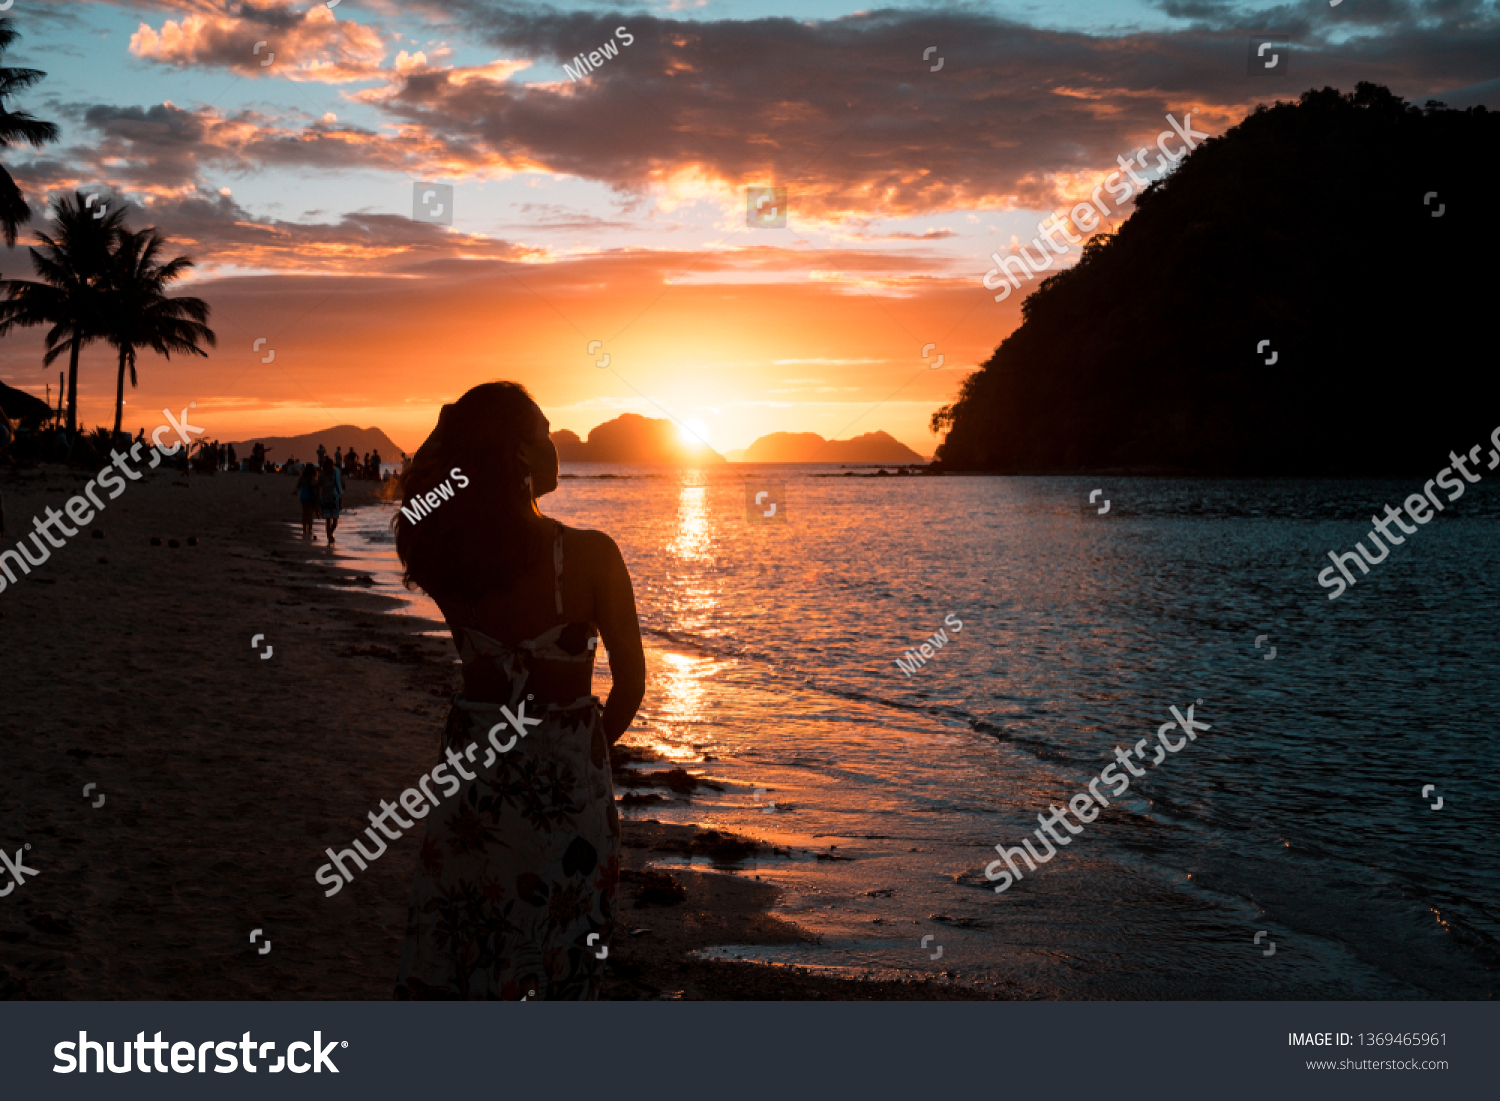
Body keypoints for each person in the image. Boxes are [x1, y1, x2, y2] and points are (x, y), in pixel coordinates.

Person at [391, 381, 645, 1001]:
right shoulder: (591, 556)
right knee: (557, 959)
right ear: (521, 457)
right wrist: (579, 749)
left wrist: (456, 432)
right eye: (546, 433)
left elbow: (418, 493)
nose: (558, 444)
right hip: (565, 797)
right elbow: (631, 686)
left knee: (468, 947)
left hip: (474, 792)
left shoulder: (444, 554)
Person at [318, 454, 343, 543]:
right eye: (329, 466)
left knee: (335, 522)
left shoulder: (335, 474)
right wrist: (318, 501)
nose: (331, 468)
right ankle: (329, 537)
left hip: (335, 500)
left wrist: (340, 501)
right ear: (326, 467)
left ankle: (330, 532)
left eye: (332, 466)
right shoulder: (322, 476)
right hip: (325, 500)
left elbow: (339, 487)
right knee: (328, 520)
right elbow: (319, 488)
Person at [296, 462, 320, 540]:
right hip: (310, 496)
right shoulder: (311, 476)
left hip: (303, 496)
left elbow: (298, 486)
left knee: (304, 513)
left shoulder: (302, 477)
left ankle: (304, 529)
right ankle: (309, 529)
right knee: (310, 513)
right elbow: (313, 484)